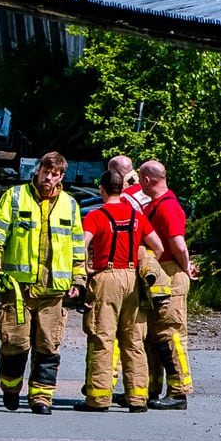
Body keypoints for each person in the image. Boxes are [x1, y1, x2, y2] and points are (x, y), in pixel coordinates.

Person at [0, 151, 85, 415]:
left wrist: (79, 278)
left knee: (48, 345)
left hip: (53, 292)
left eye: (54, 174)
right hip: (18, 289)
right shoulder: (15, 197)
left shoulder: (70, 205)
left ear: (61, 176)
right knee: (16, 342)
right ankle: (10, 388)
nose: (48, 178)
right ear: (38, 171)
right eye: (45, 172)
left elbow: (77, 247)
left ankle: (41, 398)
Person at [70, 170, 164, 413]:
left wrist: (87, 269)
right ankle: (137, 399)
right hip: (133, 279)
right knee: (134, 341)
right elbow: (158, 247)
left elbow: (80, 246)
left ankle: (98, 399)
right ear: (122, 188)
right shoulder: (136, 216)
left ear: (102, 189)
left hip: (106, 278)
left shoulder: (96, 216)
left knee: (103, 338)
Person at [139, 160, 197, 410]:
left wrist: (186, 267)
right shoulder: (156, 205)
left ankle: (179, 391)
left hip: (172, 274)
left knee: (170, 334)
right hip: (161, 274)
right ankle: (153, 389)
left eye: (140, 179)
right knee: (154, 336)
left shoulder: (167, 207)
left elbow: (178, 244)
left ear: (147, 180)